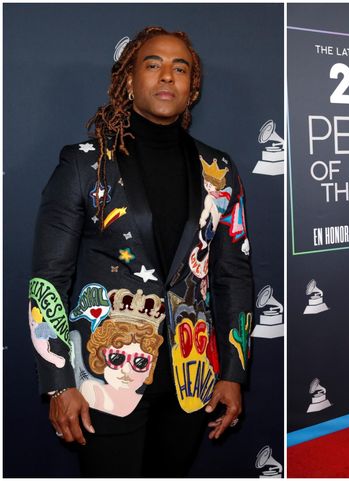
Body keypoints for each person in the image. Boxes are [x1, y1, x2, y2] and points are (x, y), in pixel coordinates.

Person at [27, 26, 254, 476]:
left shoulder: (220, 170)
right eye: (153, 64)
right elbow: (47, 278)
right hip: (105, 376)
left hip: (191, 376)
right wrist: (57, 383)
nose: (167, 76)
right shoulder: (83, 163)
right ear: (129, 81)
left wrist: (233, 371)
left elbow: (234, 275)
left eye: (180, 68)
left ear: (193, 89)